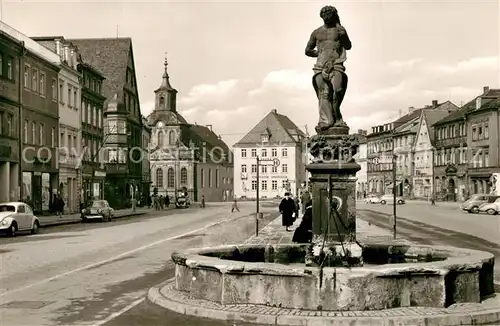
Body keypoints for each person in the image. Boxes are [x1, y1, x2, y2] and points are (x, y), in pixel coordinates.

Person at [305, 5, 352, 132]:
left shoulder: (340, 30)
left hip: (336, 64)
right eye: (324, 16)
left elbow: (348, 46)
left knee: (338, 90)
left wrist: (344, 36)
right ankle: (328, 120)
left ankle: (336, 115)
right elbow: (307, 50)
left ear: (334, 15)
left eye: (328, 15)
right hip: (320, 66)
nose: (326, 18)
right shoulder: (316, 32)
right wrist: (319, 54)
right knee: (324, 94)